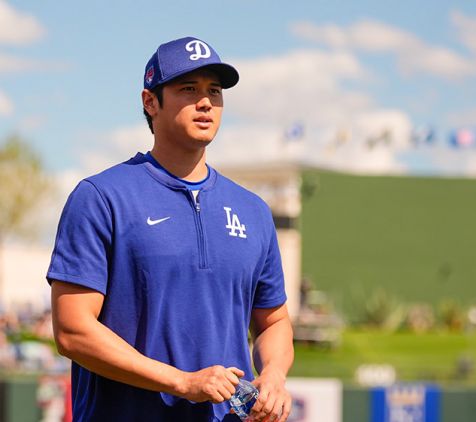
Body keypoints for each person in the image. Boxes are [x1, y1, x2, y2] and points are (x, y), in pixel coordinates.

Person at [47, 36, 294, 421]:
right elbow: (72, 331)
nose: (205, 102)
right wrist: (181, 382)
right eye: (188, 89)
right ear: (150, 102)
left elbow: (273, 322)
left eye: (214, 91)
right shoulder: (101, 197)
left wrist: (274, 375)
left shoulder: (253, 210)